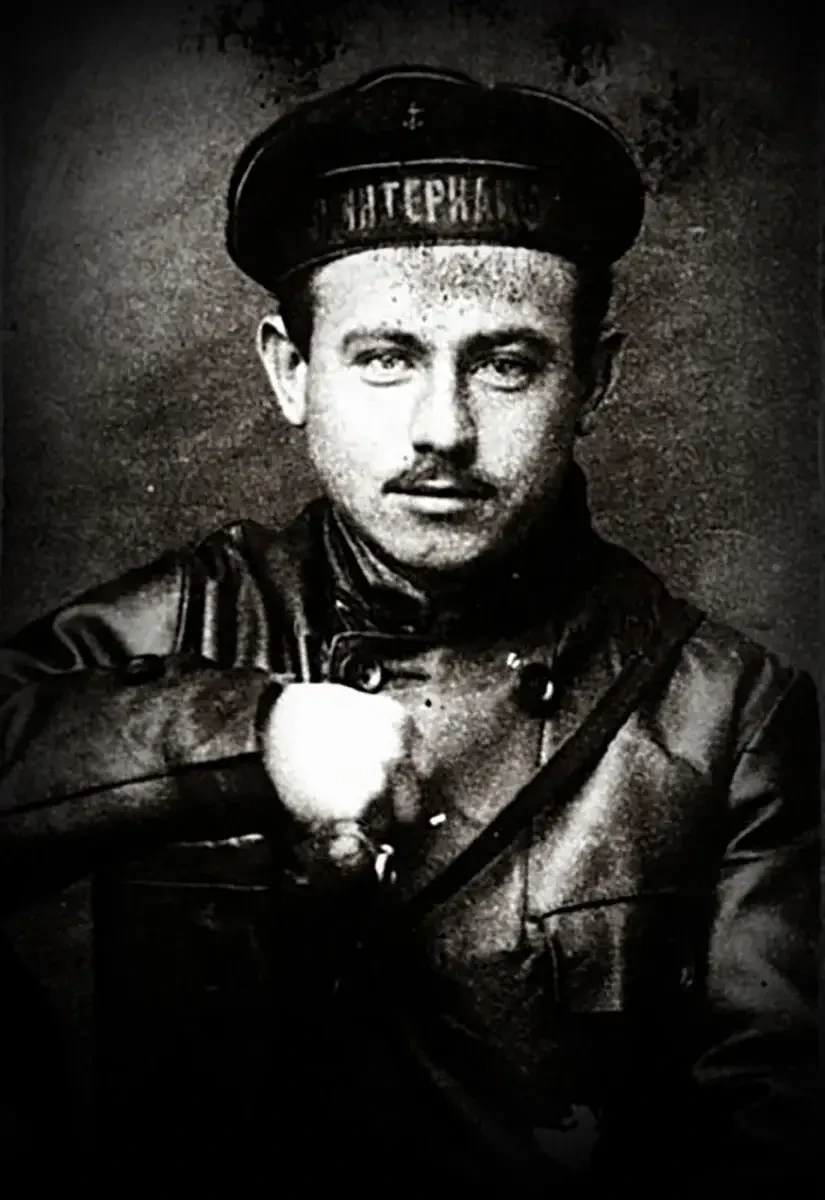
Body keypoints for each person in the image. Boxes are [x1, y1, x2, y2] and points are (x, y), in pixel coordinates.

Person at [0, 66, 818, 1189]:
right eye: (385, 359)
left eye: (508, 364)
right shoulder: (185, 621)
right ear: (291, 373)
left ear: (593, 381)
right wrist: (249, 736)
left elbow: (781, 1133)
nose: (444, 429)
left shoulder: (729, 715)